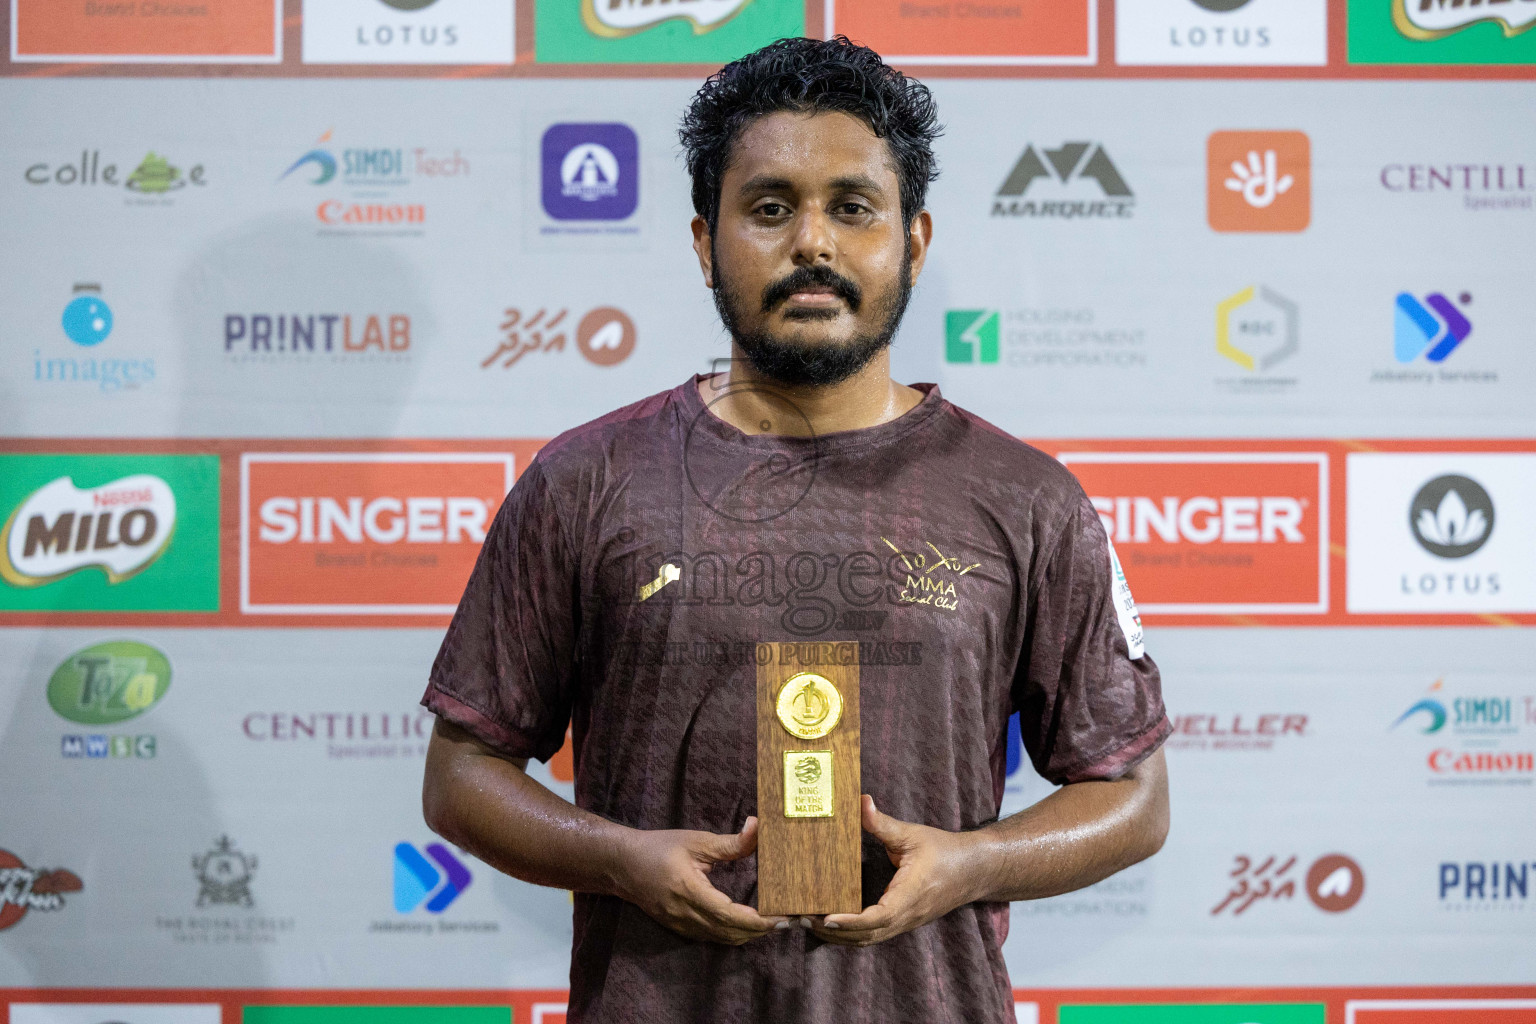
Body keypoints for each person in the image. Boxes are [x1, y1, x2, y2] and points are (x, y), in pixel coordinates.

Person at [420, 36, 1171, 1024]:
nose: (811, 242)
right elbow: (461, 774)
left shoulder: (1028, 497)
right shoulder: (588, 479)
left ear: (914, 239)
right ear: (704, 241)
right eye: (770, 208)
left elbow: (1132, 795)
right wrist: (620, 859)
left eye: (852, 207)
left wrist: (969, 863)